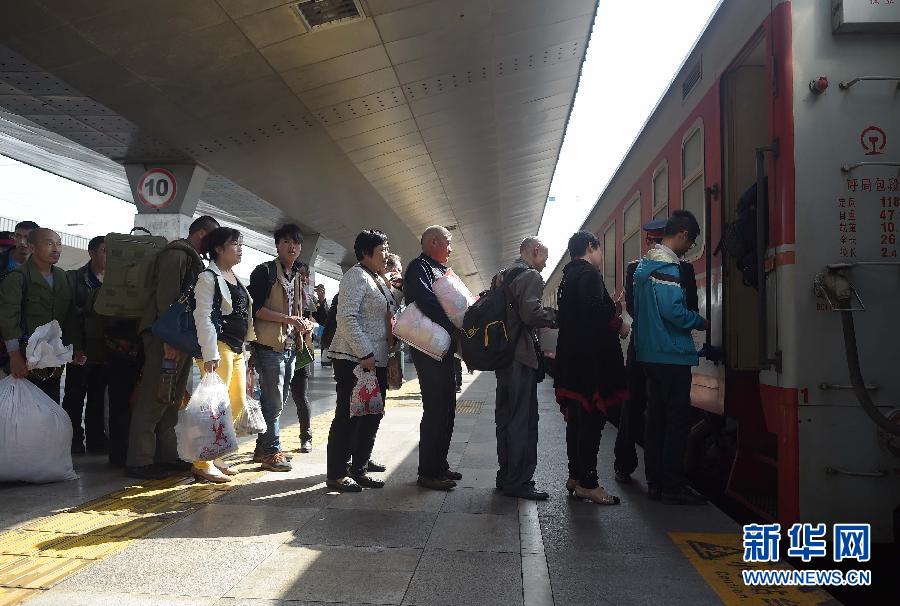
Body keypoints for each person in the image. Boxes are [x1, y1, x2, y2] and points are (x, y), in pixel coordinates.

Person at [126, 215, 220, 480]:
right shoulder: (177, 255)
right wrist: (170, 341)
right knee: (154, 397)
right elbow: (166, 299)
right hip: (166, 338)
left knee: (172, 398)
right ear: (201, 234)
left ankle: (166, 455)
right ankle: (139, 460)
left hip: (180, 339)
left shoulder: (191, 258)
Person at [633, 210, 708, 505]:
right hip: (670, 353)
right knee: (676, 421)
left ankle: (654, 482)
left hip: (649, 353)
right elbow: (672, 311)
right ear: (683, 235)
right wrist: (699, 321)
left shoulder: (644, 266)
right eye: (690, 243)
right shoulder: (667, 266)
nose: (688, 249)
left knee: (655, 420)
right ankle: (673, 486)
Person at [613, 218, 698, 483]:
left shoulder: (635, 268)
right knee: (666, 414)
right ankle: (663, 476)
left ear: (652, 240)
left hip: (641, 345)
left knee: (633, 404)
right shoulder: (684, 270)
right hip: (669, 349)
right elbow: (690, 307)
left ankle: (625, 464)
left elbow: (632, 308)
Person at [554, 231, 629, 505]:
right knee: (591, 421)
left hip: (572, 360)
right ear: (590, 246)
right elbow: (593, 309)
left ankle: (575, 476)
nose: (601, 257)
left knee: (576, 420)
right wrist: (619, 324)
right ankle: (589, 483)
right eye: (599, 250)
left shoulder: (567, 277)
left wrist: (613, 307)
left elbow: (581, 312)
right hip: (589, 362)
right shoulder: (588, 274)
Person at [325, 230, 396, 492]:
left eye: (387, 248)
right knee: (348, 416)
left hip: (374, 360)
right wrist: (365, 352)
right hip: (354, 359)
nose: (387, 254)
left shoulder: (376, 277)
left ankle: (359, 467)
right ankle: (336, 473)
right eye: (382, 249)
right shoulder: (356, 276)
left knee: (371, 414)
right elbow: (346, 317)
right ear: (366, 252)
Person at [493, 236, 557, 500]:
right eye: (545, 258)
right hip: (521, 357)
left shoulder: (502, 276)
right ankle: (519, 481)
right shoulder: (530, 276)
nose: (545, 264)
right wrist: (554, 315)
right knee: (523, 419)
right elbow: (531, 314)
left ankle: (505, 475)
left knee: (506, 418)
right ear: (535, 250)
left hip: (503, 358)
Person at [247, 224, 313, 472]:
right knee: (273, 402)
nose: (292, 246)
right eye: (286, 242)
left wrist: (303, 323)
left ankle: (262, 448)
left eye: (296, 242)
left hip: (290, 346)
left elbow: (297, 310)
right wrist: (289, 320)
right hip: (268, 345)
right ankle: (272, 451)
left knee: (278, 400)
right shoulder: (264, 272)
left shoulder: (296, 275)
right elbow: (256, 309)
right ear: (277, 245)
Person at [192, 227, 255, 483]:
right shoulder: (208, 277)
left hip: (236, 348)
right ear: (218, 249)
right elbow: (203, 316)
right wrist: (210, 353)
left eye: (240, 244)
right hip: (218, 348)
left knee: (236, 404)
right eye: (234, 244)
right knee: (214, 407)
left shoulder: (233, 276)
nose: (240, 249)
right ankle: (202, 463)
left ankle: (216, 455)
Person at [404, 226, 462, 491]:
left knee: (448, 406)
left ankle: (440, 464)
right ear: (434, 242)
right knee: (436, 407)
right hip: (429, 347)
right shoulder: (419, 267)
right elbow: (426, 301)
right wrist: (453, 323)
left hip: (444, 347)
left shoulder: (439, 269)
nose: (451, 249)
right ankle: (428, 471)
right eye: (448, 243)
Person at [0, 228, 84, 402]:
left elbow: (70, 316)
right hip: (25, 360)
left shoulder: (63, 277)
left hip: (52, 361)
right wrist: (14, 356)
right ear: (32, 247)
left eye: (59, 244)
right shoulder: (18, 278)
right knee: (23, 409)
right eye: (49, 243)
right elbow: (8, 319)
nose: (56, 249)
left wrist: (76, 346)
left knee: (50, 406)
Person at [63, 235, 109, 454]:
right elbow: (69, 315)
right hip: (81, 349)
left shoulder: (115, 282)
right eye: (105, 251)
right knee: (74, 397)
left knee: (98, 397)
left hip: (105, 349)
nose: (110, 257)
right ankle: (72, 441)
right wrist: (75, 346)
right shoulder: (75, 279)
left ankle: (96, 440)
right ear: (92, 253)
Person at [289, 261, 319, 453]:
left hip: (300, 351)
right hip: (279, 348)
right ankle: (266, 443)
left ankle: (306, 437)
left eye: (305, 275)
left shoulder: (309, 299)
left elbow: (319, 320)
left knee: (301, 396)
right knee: (274, 399)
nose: (303, 279)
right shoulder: (281, 293)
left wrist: (310, 326)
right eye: (299, 274)